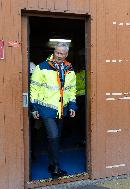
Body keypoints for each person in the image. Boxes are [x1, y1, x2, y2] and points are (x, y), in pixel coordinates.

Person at [30, 42, 77, 178]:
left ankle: (51, 163)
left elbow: (71, 90)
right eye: (57, 52)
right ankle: (55, 168)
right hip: (46, 109)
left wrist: (72, 106)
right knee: (54, 136)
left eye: (62, 53)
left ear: (66, 54)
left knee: (55, 138)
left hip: (62, 110)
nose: (59, 55)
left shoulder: (69, 68)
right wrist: (33, 108)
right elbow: (34, 89)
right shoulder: (42, 67)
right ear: (54, 51)